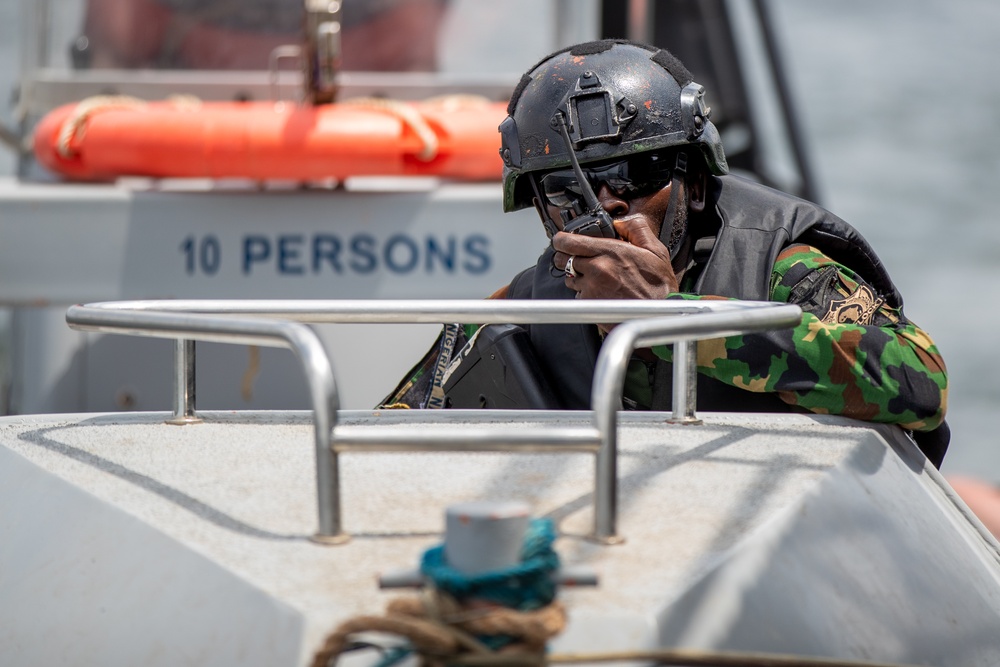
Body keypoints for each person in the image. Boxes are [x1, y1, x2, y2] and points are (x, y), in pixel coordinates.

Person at [382, 39, 949, 467]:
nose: (605, 205)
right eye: (566, 189)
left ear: (693, 184)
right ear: (540, 209)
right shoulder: (528, 306)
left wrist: (674, 318)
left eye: (635, 174)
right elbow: (388, 432)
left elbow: (921, 384)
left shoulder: (779, 264)